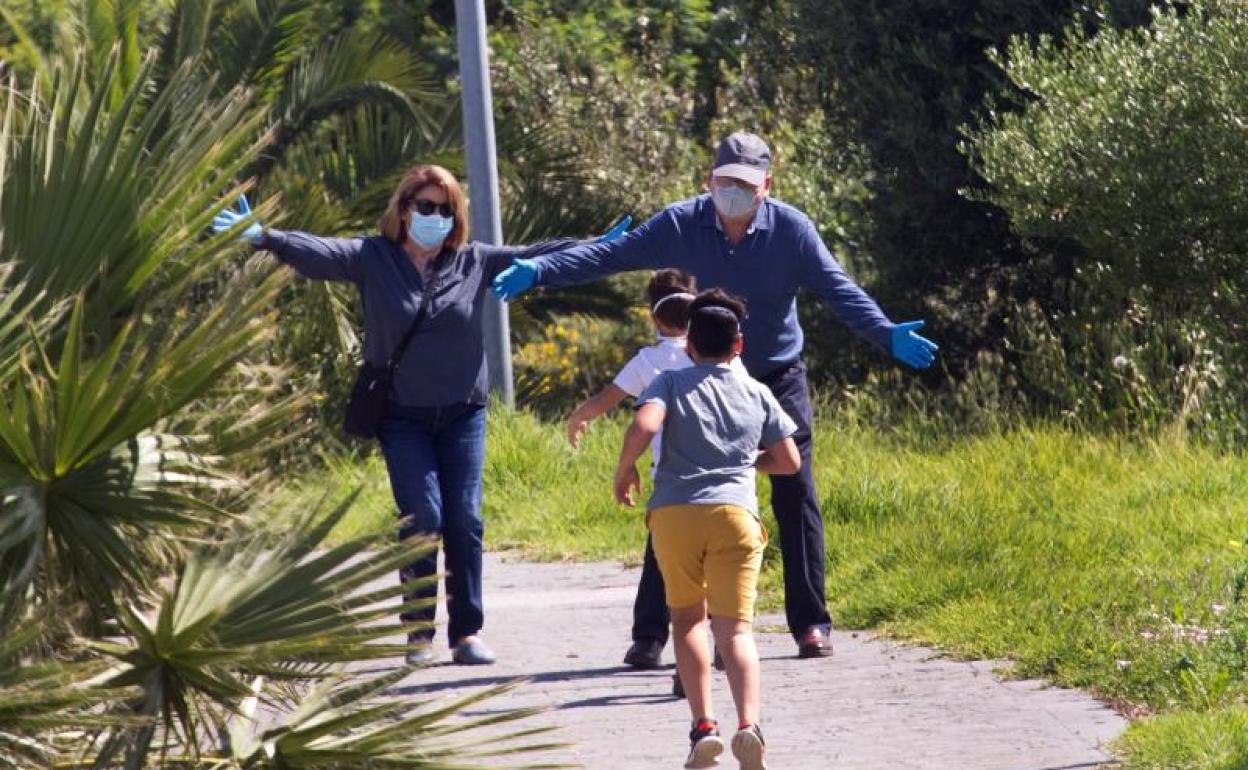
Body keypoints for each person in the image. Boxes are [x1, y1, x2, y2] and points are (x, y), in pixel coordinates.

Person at [494, 131, 938, 660]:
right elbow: (609, 257)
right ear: (709, 179)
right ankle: (650, 634)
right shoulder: (680, 224)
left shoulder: (792, 232)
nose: (733, 191)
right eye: (725, 181)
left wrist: (885, 332)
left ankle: (810, 623)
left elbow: (838, 289)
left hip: (773, 375)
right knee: (680, 494)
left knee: (794, 489)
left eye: (745, 185)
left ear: (765, 187)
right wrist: (541, 270)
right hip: (703, 376)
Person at [212, 164, 626, 666]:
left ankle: (466, 633)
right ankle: (418, 633)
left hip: (463, 413)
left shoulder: (474, 261)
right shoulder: (372, 257)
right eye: (424, 206)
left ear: (456, 217)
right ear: (403, 209)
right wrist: (263, 237)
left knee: (466, 520)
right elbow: (318, 252)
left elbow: (539, 255)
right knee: (423, 519)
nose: (434, 217)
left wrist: (600, 245)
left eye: (445, 209)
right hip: (402, 415)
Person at [615, 289, 798, 770]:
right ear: (738, 347)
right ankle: (748, 726)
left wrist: (625, 468)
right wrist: (743, 462)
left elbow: (644, 425)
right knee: (735, 629)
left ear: (690, 344)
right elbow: (788, 460)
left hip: (676, 516)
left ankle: (703, 729)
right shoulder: (756, 391)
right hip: (736, 516)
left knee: (688, 620)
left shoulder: (670, 382)